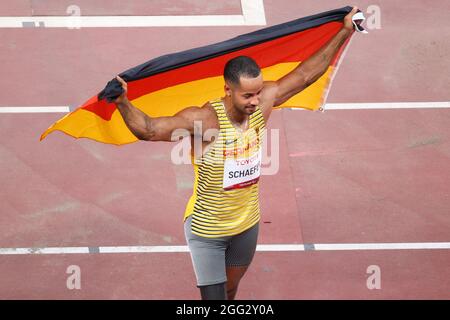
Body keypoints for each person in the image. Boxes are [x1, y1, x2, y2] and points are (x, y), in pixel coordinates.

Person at [113, 7, 360, 300]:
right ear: (227, 90)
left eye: (258, 92)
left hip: (246, 225)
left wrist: (345, 31)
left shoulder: (262, 103)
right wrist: (121, 102)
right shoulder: (205, 121)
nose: (256, 101)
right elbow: (150, 129)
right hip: (207, 230)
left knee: (231, 292)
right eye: (247, 95)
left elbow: (305, 75)